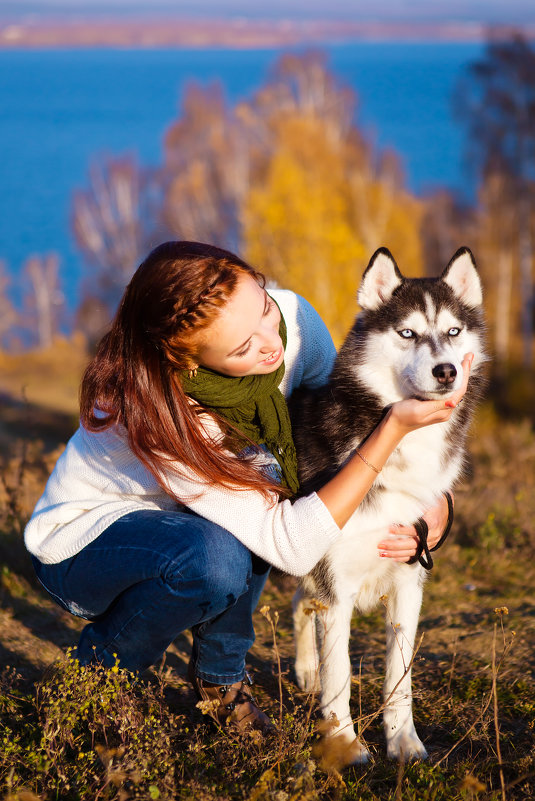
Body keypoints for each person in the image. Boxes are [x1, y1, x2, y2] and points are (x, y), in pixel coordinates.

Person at [24, 241, 472, 735]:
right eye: (243, 347)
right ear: (187, 359)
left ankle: (217, 681)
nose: (271, 342)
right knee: (217, 556)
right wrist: (393, 431)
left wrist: (433, 505)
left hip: (199, 512)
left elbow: (331, 429)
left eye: (262, 307)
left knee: (261, 483)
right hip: (87, 544)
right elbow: (291, 545)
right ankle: (100, 676)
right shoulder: (167, 418)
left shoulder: (292, 321)